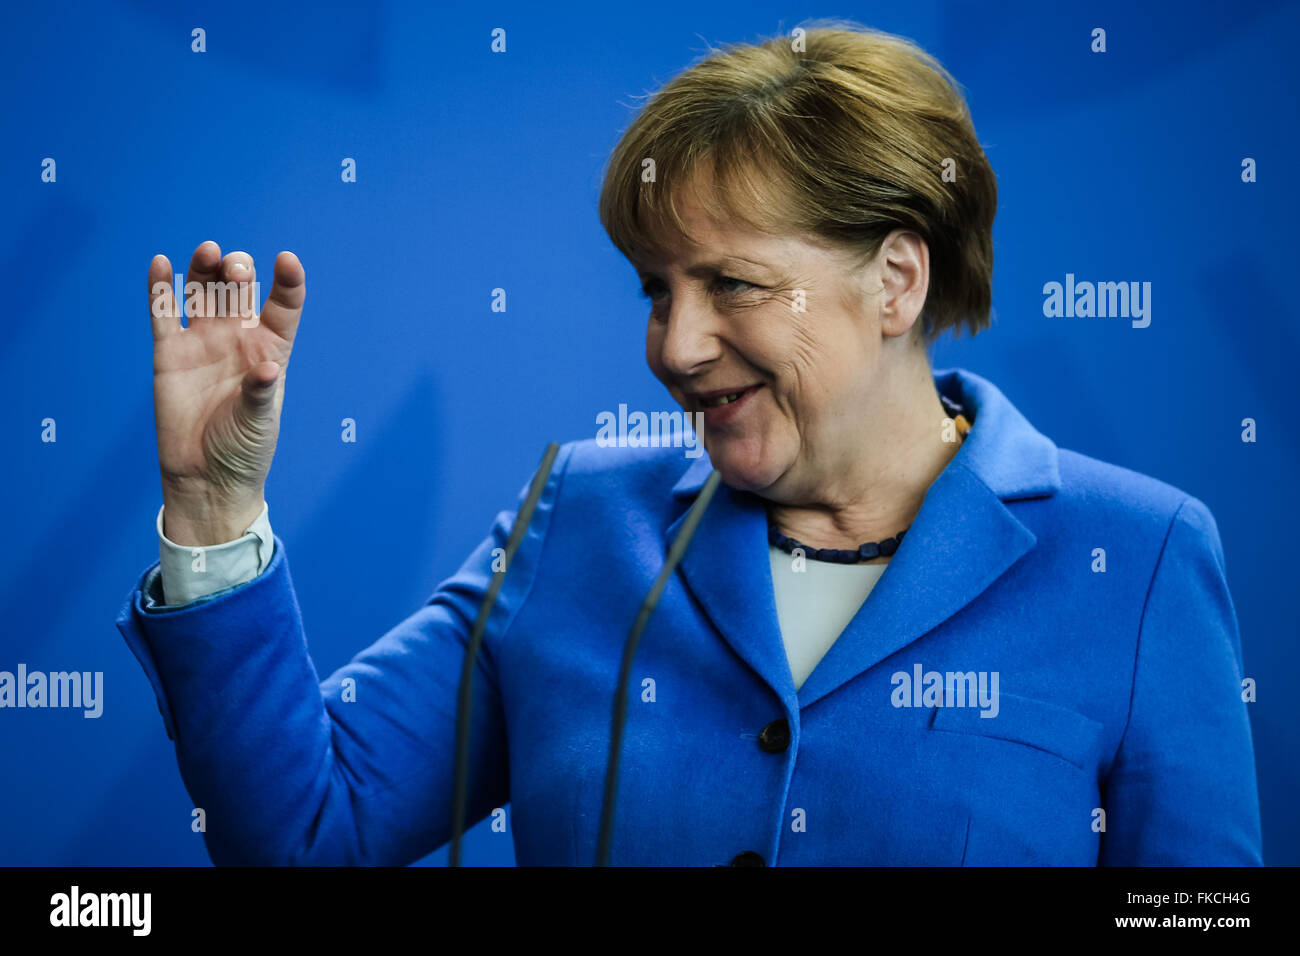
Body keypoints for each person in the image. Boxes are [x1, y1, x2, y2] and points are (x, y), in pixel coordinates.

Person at [116, 22, 1262, 866]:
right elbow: (308, 832)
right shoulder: (571, 524)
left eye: (732, 284)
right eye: (656, 289)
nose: (675, 343)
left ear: (896, 279)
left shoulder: (1139, 556)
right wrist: (214, 510)